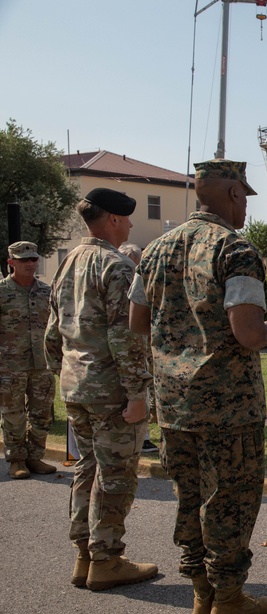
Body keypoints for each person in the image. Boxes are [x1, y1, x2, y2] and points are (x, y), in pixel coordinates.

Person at [129, 159, 267, 614]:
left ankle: (201, 598)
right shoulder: (235, 249)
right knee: (229, 502)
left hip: (173, 406)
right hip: (227, 408)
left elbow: (137, 322)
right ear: (233, 194)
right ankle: (228, 604)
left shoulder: (155, 249)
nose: (248, 205)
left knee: (190, 499)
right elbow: (249, 333)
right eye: (247, 196)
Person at [44, 188, 157, 592]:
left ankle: (85, 556)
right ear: (112, 220)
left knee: (87, 469)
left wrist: (61, 370)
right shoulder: (117, 266)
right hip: (111, 389)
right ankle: (107, 560)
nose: (128, 225)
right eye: (126, 219)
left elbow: (52, 328)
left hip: (76, 385)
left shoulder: (68, 262)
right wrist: (138, 393)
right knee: (116, 474)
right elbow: (125, 336)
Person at [1, 241, 56, 479]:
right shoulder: (2, 292)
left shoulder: (46, 291)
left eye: (33, 259)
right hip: (9, 365)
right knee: (13, 414)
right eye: (24, 260)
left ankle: (35, 457)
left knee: (42, 413)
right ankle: (17, 460)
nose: (30, 264)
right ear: (11, 262)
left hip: (42, 364)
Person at [118, 242, 157, 454]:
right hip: (127, 349)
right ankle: (140, 438)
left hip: (144, 346)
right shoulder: (119, 283)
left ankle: (144, 436)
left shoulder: (142, 283)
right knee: (134, 392)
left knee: (147, 391)